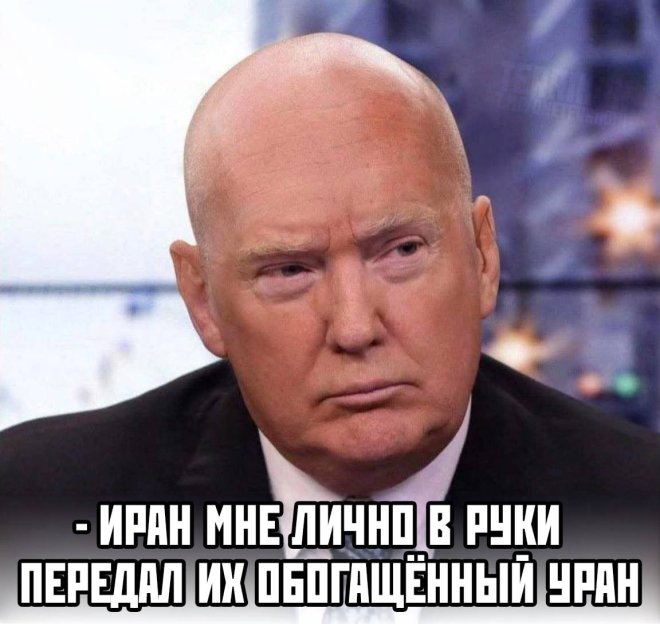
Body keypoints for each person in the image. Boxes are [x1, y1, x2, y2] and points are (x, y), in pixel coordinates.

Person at [0, 33, 658, 522]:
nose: (354, 327)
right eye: (290, 270)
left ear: (483, 257)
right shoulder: (35, 509)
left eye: (401, 252)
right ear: (203, 301)